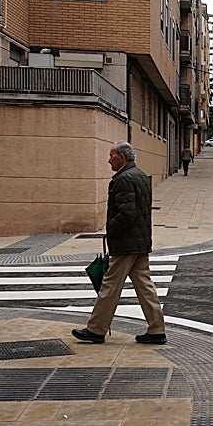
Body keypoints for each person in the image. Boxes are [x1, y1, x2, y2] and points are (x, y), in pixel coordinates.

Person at [72, 141, 167, 345]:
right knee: (144, 285)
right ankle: (157, 329)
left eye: (112, 156)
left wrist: (111, 230)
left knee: (110, 286)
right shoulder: (140, 175)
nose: (109, 160)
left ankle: (96, 330)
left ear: (121, 158)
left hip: (126, 242)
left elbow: (127, 213)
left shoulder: (123, 179)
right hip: (140, 240)